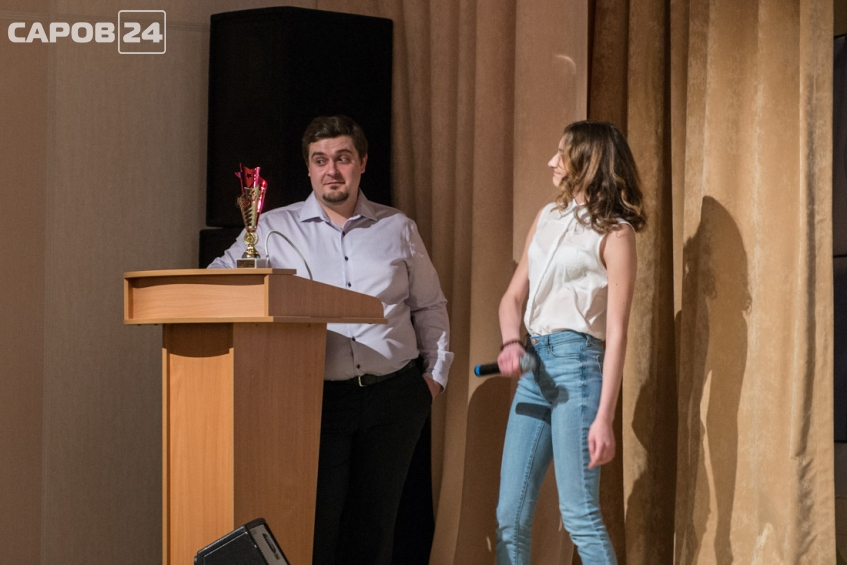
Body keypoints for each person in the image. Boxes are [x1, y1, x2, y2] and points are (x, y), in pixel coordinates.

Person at [209, 115, 453, 565]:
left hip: (394, 399)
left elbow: (430, 306)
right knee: (314, 528)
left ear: (362, 163)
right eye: (320, 160)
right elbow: (215, 281)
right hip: (315, 401)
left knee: (375, 530)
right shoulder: (272, 228)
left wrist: (432, 381)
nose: (332, 171)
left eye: (343, 158)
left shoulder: (398, 227)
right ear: (308, 169)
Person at [494, 121, 646, 565]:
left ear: (589, 161)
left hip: (577, 367)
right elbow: (512, 297)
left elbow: (617, 332)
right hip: (533, 365)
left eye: (562, 154)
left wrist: (605, 418)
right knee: (509, 516)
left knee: (579, 514)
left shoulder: (616, 233)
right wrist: (510, 343)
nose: (552, 162)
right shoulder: (547, 217)